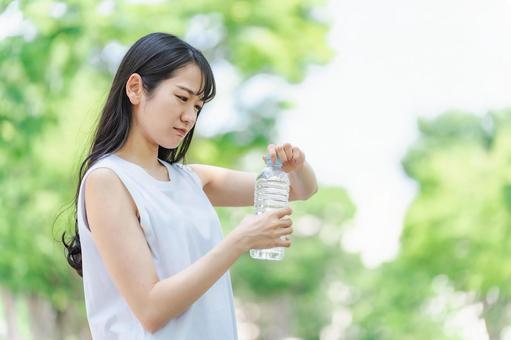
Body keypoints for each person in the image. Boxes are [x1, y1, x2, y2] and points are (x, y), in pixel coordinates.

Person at [61, 32, 318, 340]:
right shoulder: (108, 180)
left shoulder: (191, 179)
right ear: (135, 89)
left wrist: (297, 166)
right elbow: (151, 310)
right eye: (182, 98)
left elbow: (299, 190)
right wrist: (239, 241)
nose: (189, 117)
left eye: (198, 106)